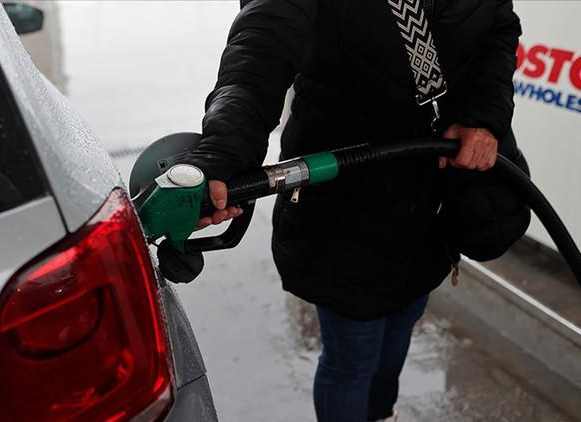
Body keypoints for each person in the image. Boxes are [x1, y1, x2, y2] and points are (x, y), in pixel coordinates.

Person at [184, 0, 521, 421]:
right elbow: (262, 44)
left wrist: (481, 117)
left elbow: (499, 30)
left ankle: (381, 414)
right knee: (353, 355)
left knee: (403, 320)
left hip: (433, 195)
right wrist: (225, 149)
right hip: (347, 197)